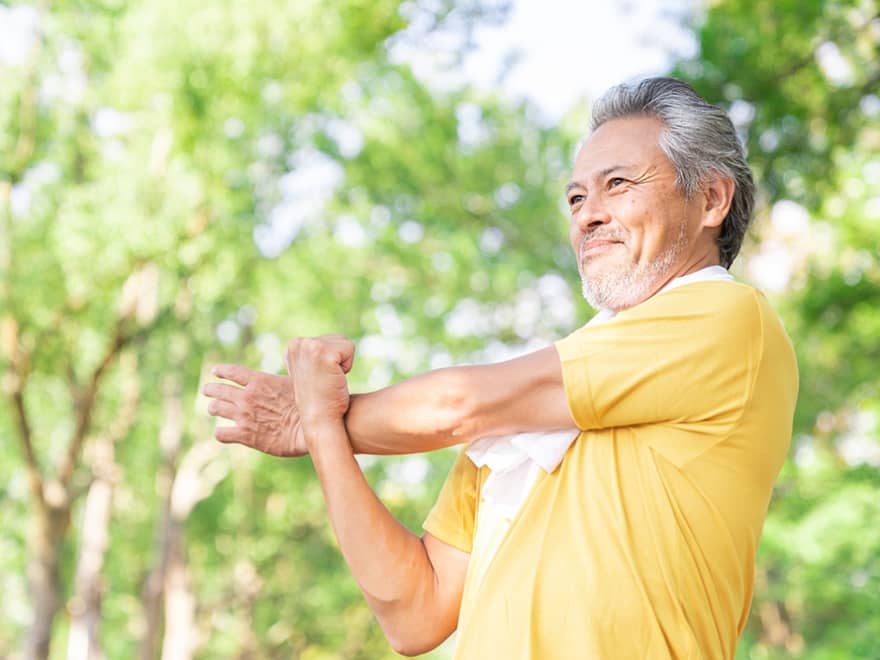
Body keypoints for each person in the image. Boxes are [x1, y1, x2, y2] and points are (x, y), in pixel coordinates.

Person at [203, 77, 798, 659]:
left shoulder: (727, 317)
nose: (587, 216)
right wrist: (322, 432)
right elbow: (415, 613)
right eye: (576, 198)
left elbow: (460, 404)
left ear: (711, 199)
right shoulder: (528, 419)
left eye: (617, 184)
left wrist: (314, 417)